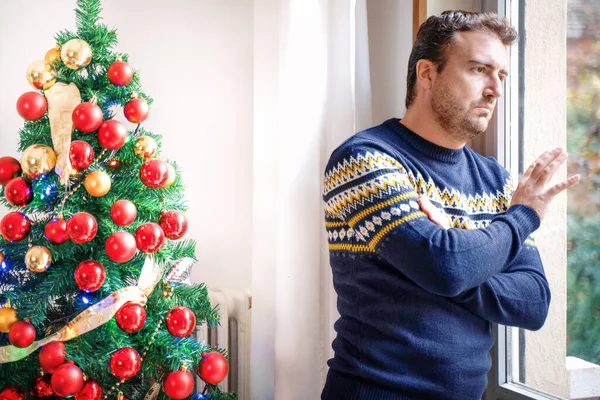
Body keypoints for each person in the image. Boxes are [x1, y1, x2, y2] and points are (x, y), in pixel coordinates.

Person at [321, 10, 580, 400]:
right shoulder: (363, 160)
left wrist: (451, 259)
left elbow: (533, 301)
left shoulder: (497, 181)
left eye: (502, 75)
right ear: (427, 74)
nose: (495, 89)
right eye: (479, 70)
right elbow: (445, 266)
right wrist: (521, 216)